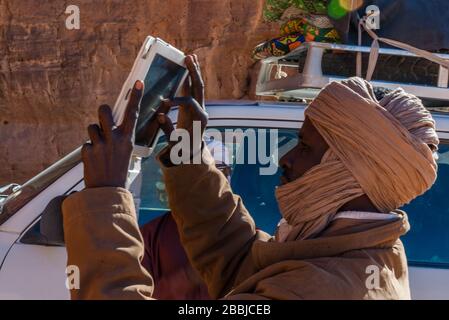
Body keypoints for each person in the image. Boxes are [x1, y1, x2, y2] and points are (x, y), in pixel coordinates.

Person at [62, 54, 438, 299]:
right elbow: (242, 263)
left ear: (347, 174)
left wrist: (105, 198)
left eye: (305, 148)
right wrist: (189, 156)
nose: (286, 160)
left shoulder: (325, 288)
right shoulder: (359, 252)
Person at [140, 137, 231, 300]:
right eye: (198, 172)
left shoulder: (245, 235)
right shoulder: (150, 236)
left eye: (220, 171)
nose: (211, 181)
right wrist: (188, 277)